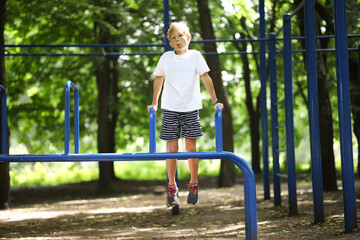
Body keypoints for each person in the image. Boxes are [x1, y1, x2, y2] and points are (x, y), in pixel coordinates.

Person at [147, 21, 223, 207]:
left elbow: (206, 78)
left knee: (191, 147)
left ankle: (194, 184)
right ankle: (172, 187)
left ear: (188, 37)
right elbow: (159, 79)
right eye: (173, 38)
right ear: (170, 44)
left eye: (180, 35)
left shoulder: (195, 56)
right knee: (171, 149)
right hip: (171, 108)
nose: (178, 40)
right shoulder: (166, 57)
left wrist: (215, 101)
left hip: (190, 108)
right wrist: (154, 103)